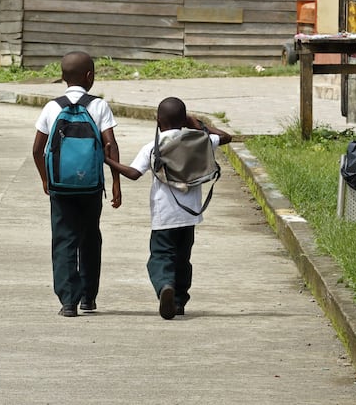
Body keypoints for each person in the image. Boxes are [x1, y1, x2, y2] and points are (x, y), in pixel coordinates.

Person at [104, 96, 231, 320]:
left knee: (161, 256)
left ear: (157, 120)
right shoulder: (200, 141)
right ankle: (179, 302)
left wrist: (108, 160)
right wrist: (197, 123)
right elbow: (226, 137)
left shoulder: (153, 147)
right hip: (190, 216)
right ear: (183, 119)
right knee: (183, 259)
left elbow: (133, 174)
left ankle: (165, 286)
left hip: (164, 216)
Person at [32, 51, 122, 318]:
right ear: (90, 77)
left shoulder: (52, 107)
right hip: (91, 186)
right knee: (90, 237)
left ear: (62, 78)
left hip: (61, 186)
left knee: (63, 240)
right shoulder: (99, 106)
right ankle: (88, 298)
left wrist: (45, 179)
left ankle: (68, 302)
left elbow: (37, 149)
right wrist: (116, 182)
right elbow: (110, 145)